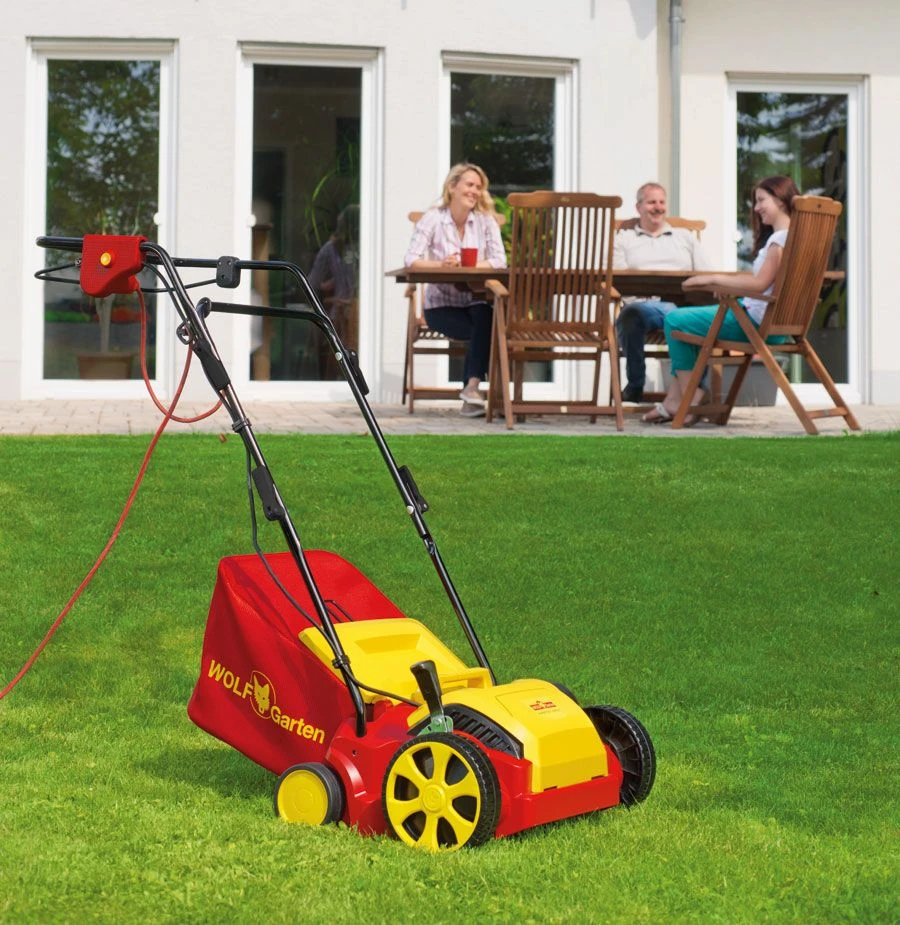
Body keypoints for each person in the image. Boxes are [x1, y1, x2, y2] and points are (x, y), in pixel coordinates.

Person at [643, 175, 800, 425]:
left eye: (761, 200)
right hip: (776, 326)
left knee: (674, 320)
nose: (756, 208)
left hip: (753, 323)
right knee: (689, 327)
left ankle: (691, 397)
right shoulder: (797, 239)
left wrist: (711, 279)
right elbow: (766, 283)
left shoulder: (779, 240)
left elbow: (760, 284)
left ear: (781, 201)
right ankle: (673, 400)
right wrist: (728, 286)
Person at [404, 162, 507, 418]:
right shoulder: (433, 218)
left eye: (479, 187)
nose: (475, 191)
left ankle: (471, 389)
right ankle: (478, 396)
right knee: (486, 330)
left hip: (475, 302)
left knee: (485, 317)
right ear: (452, 187)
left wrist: (470, 266)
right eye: (469, 184)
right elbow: (411, 260)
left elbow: (499, 260)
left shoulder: (485, 221)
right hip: (441, 306)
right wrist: (441, 264)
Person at [613, 182, 711, 402]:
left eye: (661, 202)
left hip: (681, 305)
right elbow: (617, 280)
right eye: (651, 202)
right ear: (638, 207)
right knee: (631, 314)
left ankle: (694, 389)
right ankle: (636, 385)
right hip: (641, 305)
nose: (658, 207)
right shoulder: (624, 239)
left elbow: (705, 274)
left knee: (696, 317)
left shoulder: (684, 237)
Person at [308, 205, 359, 378]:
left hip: (343, 314)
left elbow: (312, 283)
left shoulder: (330, 249)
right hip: (355, 314)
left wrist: (331, 284)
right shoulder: (369, 248)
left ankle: (334, 377)